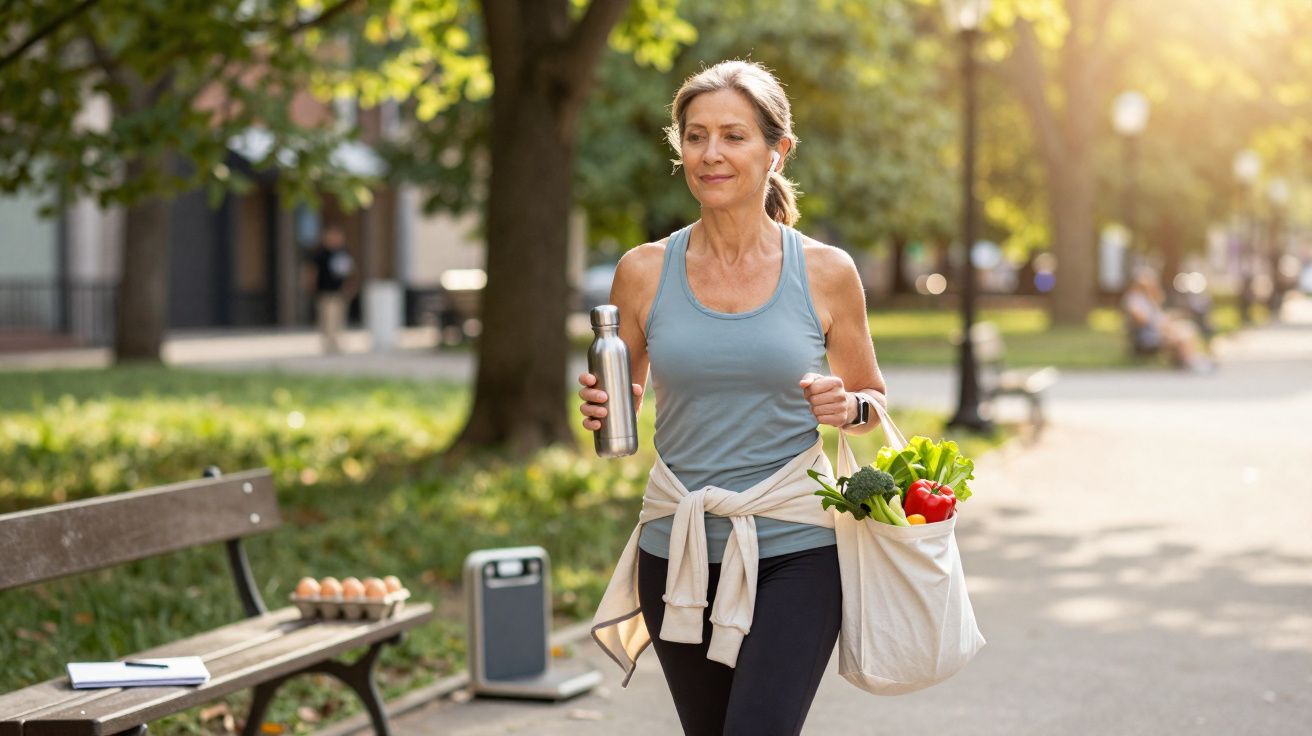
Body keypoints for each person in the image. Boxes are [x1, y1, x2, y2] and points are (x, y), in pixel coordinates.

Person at [580, 61, 888, 735]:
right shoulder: (643, 271)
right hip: (676, 551)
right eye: (695, 136)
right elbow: (621, 395)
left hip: (796, 550)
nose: (711, 153)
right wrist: (605, 408)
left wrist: (850, 408)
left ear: (778, 150)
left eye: (733, 136)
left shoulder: (827, 272)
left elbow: (872, 399)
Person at [1123, 266, 1211, 372]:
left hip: (1158, 330)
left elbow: (1159, 309)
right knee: (1181, 337)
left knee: (1187, 328)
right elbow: (1143, 320)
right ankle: (1188, 361)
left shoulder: (1148, 299)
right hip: (1147, 336)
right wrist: (1160, 325)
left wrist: (1154, 297)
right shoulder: (1133, 299)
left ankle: (1190, 359)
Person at [304, 224, 357, 354]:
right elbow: (312, 271)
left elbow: (350, 271)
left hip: (339, 292)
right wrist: (310, 285)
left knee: (339, 318)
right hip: (324, 291)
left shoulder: (344, 253)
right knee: (326, 319)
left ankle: (337, 342)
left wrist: (351, 286)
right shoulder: (321, 254)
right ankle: (328, 344)